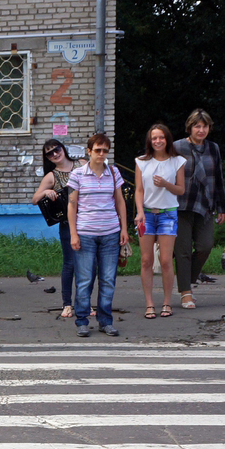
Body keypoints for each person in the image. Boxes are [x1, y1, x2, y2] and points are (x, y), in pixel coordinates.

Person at [67, 132, 130, 337]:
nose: (101, 154)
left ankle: (105, 321)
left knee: (108, 279)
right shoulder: (77, 174)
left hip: (110, 233)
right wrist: (73, 234)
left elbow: (120, 201)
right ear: (89, 151)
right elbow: (72, 205)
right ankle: (82, 321)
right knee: (85, 280)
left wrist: (124, 229)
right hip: (85, 233)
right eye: (97, 150)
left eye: (105, 150)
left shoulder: (113, 172)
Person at [172, 110, 225, 307]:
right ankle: (185, 292)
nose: (201, 130)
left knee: (205, 246)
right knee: (183, 250)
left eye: (204, 126)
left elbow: (218, 178)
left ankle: (187, 280)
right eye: (197, 126)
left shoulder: (214, 148)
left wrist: (222, 206)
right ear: (190, 127)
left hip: (205, 205)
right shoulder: (177, 146)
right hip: (181, 205)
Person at [133, 123, 186, 318]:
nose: (157, 141)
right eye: (154, 138)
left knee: (165, 261)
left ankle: (167, 303)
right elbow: (139, 190)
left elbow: (181, 190)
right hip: (146, 214)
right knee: (146, 260)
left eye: (161, 137)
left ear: (167, 139)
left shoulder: (177, 161)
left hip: (168, 213)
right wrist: (140, 212)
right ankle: (149, 304)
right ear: (149, 140)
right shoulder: (141, 162)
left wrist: (165, 184)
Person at [32, 138, 80, 318]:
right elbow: (35, 199)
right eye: (49, 153)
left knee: (88, 265)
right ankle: (67, 304)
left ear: (63, 148)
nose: (54, 154)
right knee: (70, 263)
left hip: (88, 222)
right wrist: (45, 192)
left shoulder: (81, 165)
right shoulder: (52, 176)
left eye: (56, 149)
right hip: (67, 224)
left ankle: (84, 303)